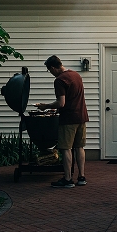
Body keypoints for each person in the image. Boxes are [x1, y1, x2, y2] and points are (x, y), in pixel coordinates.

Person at [35, 55, 89, 188]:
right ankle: (81, 177)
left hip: (69, 119)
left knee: (66, 148)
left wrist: (45, 106)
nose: (51, 73)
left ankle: (68, 179)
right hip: (81, 116)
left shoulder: (60, 80)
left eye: (50, 70)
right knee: (79, 147)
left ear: (53, 67)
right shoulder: (76, 75)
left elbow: (61, 103)